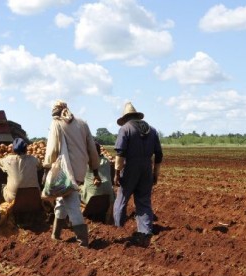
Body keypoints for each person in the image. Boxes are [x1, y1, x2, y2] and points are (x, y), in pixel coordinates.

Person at [44, 100, 100, 247]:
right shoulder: (82, 123)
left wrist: (46, 170)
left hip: (65, 171)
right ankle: (55, 234)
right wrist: (95, 171)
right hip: (80, 169)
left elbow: (52, 150)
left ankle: (83, 241)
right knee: (63, 199)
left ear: (55, 113)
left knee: (72, 204)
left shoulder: (56, 123)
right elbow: (92, 149)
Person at [112, 102, 163, 246]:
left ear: (126, 117)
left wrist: (116, 173)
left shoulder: (125, 129)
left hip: (130, 168)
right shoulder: (152, 130)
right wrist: (155, 173)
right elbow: (159, 154)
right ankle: (146, 231)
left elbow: (120, 153)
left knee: (122, 198)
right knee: (144, 201)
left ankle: (118, 229)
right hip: (147, 167)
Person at [0, 137, 42, 203]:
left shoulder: (8, 160)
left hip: (13, 200)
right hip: (34, 197)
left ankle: (1, 208)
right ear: (26, 149)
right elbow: (40, 165)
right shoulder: (34, 159)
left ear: (13, 150)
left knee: (1, 185)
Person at [80, 140, 115, 223]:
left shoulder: (85, 163)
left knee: (75, 191)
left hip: (92, 194)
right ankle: (108, 216)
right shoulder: (106, 161)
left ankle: (79, 219)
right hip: (108, 193)